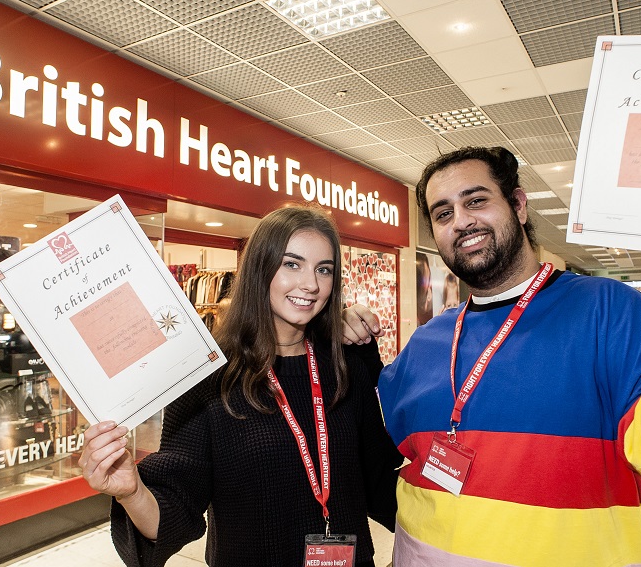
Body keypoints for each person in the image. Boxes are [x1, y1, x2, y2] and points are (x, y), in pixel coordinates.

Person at [343, 146, 641, 567]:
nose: (460, 221)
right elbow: (373, 445)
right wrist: (346, 345)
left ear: (518, 204)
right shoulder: (428, 340)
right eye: (443, 213)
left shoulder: (609, 310)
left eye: (475, 200)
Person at [79, 206, 403, 567]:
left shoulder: (346, 365)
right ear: (259, 269)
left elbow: (378, 479)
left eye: (323, 269)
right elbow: (178, 504)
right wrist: (133, 492)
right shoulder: (211, 379)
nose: (311, 284)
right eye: (291, 264)